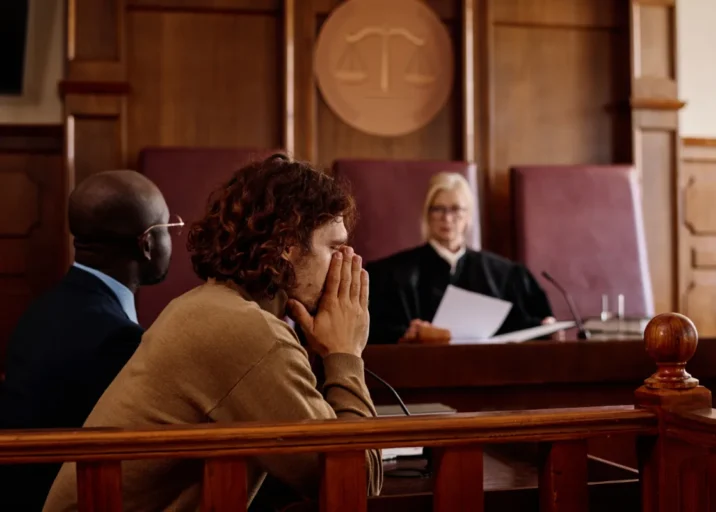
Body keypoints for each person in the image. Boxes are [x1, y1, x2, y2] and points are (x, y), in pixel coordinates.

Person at [44, 154, 383, 512]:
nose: (347, 262)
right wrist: (345, 352)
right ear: (287, 244)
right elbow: (355, 481)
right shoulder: (244, 329)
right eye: (334, 247)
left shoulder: (215, 305)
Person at [0, 170, 177, 511]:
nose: (172, 238)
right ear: (147, 243)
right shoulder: (115, 337)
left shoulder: (42, 308)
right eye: (168, 227)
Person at [366, 172, 554, 344]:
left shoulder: (503, 274)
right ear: (427, 214)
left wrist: (545, 325)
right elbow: (378, 330)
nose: (447, 219)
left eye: (456, 209)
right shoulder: (394, 274)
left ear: (468, 215)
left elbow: (524, 325)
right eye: (438, 209)